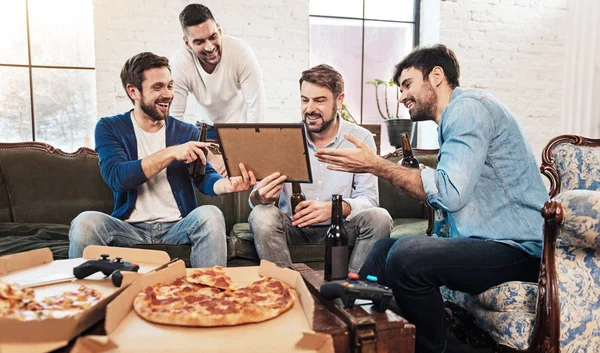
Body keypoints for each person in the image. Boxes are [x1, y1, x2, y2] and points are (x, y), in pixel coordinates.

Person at [315, 45, 548, 353]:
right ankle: (360, 318)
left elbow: (450, 194)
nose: (401, 96)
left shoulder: (468, 109)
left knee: (407, 257)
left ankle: (432, 347)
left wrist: (375, 164)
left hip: (520, 251)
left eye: (407, 84)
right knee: (385, 249)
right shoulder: (454, 119)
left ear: (436, 76)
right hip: (491, 245)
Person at [68, 52, 256, 268]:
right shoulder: (110, 127)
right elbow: (117, 177)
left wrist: (227, 185)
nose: (168, 94)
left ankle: (209, 293)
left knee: (210, 214)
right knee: (85, 223)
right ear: (133, 91)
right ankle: (86, 298)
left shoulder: (186, 132)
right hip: (129, 229)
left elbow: (205, 176)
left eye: (169, 86)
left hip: (178, 227)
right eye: (157, 87)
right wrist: (171, 153)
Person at [248, 64, 393, 274]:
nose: (310, 108)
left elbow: (369, 200)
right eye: (305, 100)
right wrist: (260, 197)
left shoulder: (361, 139)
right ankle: (285, 287)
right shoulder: (282, 138)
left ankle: (350, 290)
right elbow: (255, 201)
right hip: (293, 227)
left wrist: (334, 209)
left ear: (339, 100)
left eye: (320, 100)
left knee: (380, 218)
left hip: (341, 227)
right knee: (261, 215)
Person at [170, 3, 267, 176]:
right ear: (187, 43)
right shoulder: (180, 62)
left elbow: (256, 107)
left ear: (220, 30)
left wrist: (245, 151)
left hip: (240, 129)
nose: (209, 47)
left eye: (213, 36)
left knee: (245, 177)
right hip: (204, 129)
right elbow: (175, 120)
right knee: (206, 175)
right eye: (199, 42)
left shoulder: (240, 52)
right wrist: (209, 156)